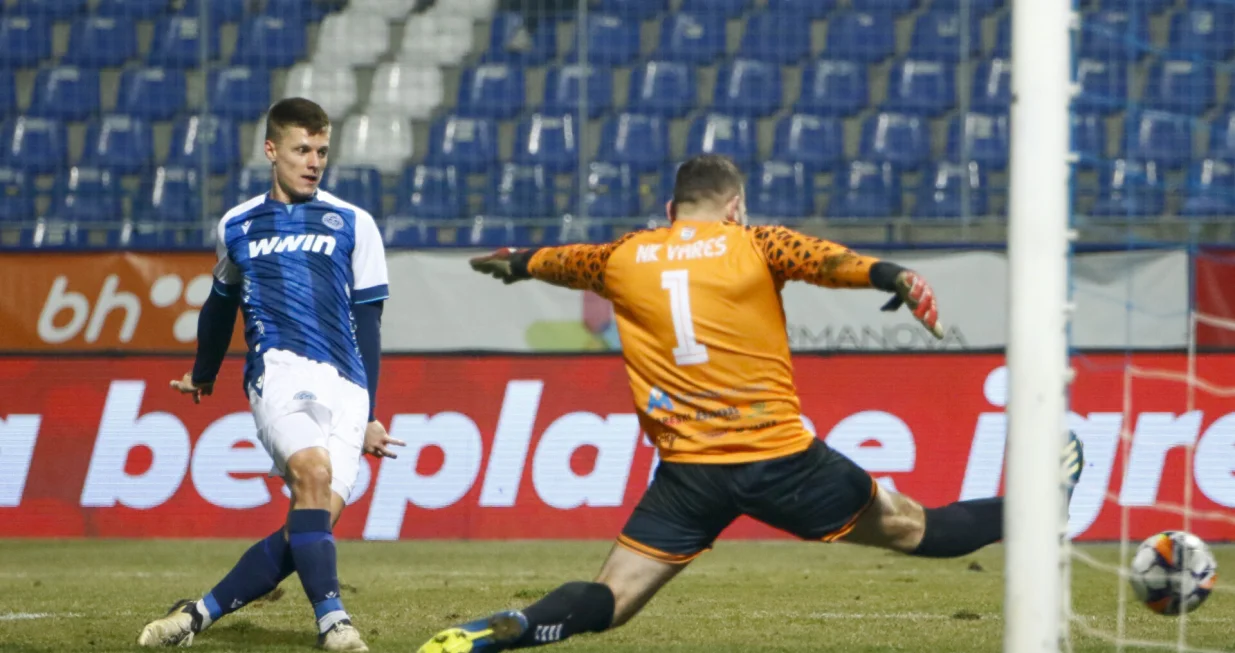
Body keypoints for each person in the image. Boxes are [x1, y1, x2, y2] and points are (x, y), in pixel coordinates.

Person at [418, 154, 1085, 653]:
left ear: (671, 206)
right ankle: (1040, 506)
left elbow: (565, 261)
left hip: (689, 474)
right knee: (918, 527)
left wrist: (518, 261)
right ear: (734, 206)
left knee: (614, 598)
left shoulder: (623, 255)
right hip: (780, 459)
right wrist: (893, 275)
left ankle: (519, 625)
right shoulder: (755, 243)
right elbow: (826, 260)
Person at [137, 97, 403, 652]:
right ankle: (335, 622)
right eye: (302, 150)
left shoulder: (354, 223)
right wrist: (204, 372)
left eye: (322, 151)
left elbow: (368, 324)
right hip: (278, 372)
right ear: (271, 150)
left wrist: (370, 410)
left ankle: (194, 616)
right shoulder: (237, 224)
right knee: (310, 471)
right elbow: (219, 303)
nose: (313, 162)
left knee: (304, 529)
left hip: (347, 387)